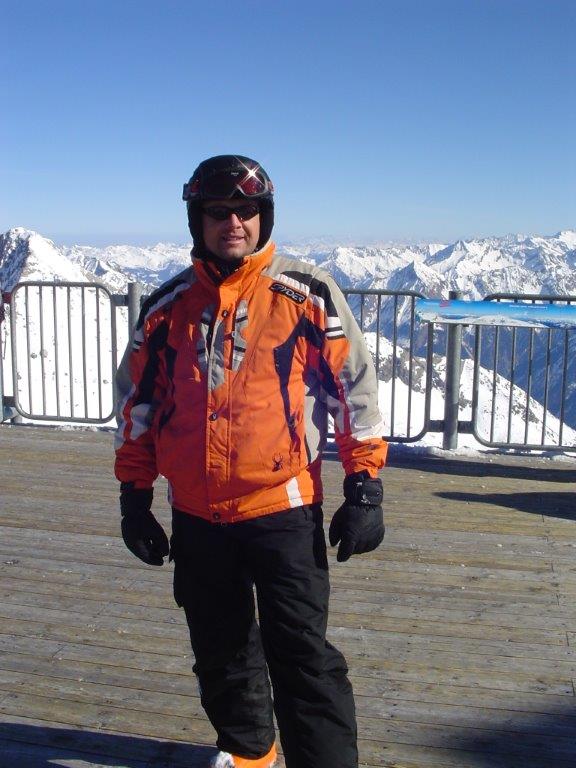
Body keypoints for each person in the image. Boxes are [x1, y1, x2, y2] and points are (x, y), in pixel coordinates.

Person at [114, 155, 387, 768]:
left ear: (265, 217)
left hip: (282, 508)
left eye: (246, 211)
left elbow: (354, 391)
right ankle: (248, 754)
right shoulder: (167, 308)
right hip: (197, 513)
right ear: (198, 220)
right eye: (218, 211)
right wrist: (134, 498)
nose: (232, 222)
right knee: (220, 649)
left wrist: (364, 486)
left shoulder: (306, 293)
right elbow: (137, 406)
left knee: (302, 655)